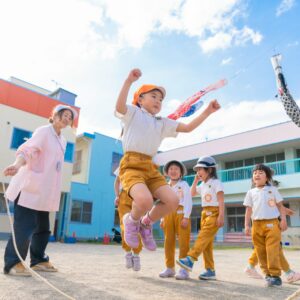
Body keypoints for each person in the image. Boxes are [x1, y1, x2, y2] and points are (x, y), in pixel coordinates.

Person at [114, 69, 220, 254]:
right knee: (145, 201)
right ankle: (131, 221)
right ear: (140, 99)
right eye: (153, 96)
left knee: (172, 200)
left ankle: (146, 224)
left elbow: (187, 127)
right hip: (131, 165)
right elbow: (120, 106)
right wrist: (128, 81)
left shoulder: (162, 122)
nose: (158, 101)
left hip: (150, 166)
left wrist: (208, 112)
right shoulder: (133, 113)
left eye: (161, 99)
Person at [3, 104, 76, 276]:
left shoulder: (62, 140)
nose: (67, 119)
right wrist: (17, 164)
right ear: (55, 116)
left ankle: (38, 260)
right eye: (64, 115)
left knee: (43, 228)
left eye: (70, 117)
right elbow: (28, 150)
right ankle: (13, 263)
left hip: (45, 191)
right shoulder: (44, 131)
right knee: (25, 226)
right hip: (30, 187)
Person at [177, 156, 224, 280]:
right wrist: (195, 181)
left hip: (214, 213)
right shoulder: (203, 184)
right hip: (205, 213)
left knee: (202, 238)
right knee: (206, 244)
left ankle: (190, 259)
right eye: (196, 170)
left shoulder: (216, 182)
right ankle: (210, 270)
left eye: (200, 169)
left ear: (209, 170)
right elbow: (191, 193)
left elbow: (221, 200)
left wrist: (221, 215)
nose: (198, 172)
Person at [243, 164, 287, 287]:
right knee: (260, 251)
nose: (257, 174)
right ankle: (267, 275)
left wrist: (283, 220)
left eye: (261, 172)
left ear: (267, 177)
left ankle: (276, 275)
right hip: (256, 225)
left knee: (272, 250)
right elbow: (248, 210)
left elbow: (280, 206)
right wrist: (247, 225)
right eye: (255, 173)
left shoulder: (272, 189)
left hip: (272, 223)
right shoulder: (251, 192)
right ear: (253, 178)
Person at [245, 208, 300, 283]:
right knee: (274, 248)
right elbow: (270, 203)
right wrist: (283, 211)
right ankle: (289, 273)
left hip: (264, 223)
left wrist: (283, 210)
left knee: (264, 248)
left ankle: (250, 266)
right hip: (266, 224)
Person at [159, 160, 192, 280]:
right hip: (168, 213)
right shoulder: (165, 186)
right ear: (167, 172)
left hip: (181, 213)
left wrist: (186, 217)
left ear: (181, 173)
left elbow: (188, 201)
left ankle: (184, 270)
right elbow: (162, 202)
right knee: (168, 241)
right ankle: (169, 268)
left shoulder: (184, 185)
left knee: (183, 242)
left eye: (176, 169)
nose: (173, 171)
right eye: (171, 169)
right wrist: (162, 218)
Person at [114, 168, 143, 271]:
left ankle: (136, 255)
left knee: (137, 226)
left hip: (138, 195)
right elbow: (117, 181)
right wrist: (117, 196)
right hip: (124, 195)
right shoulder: (123, 164)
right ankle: (127, 253)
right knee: (124, 226)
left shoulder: (143, 165)